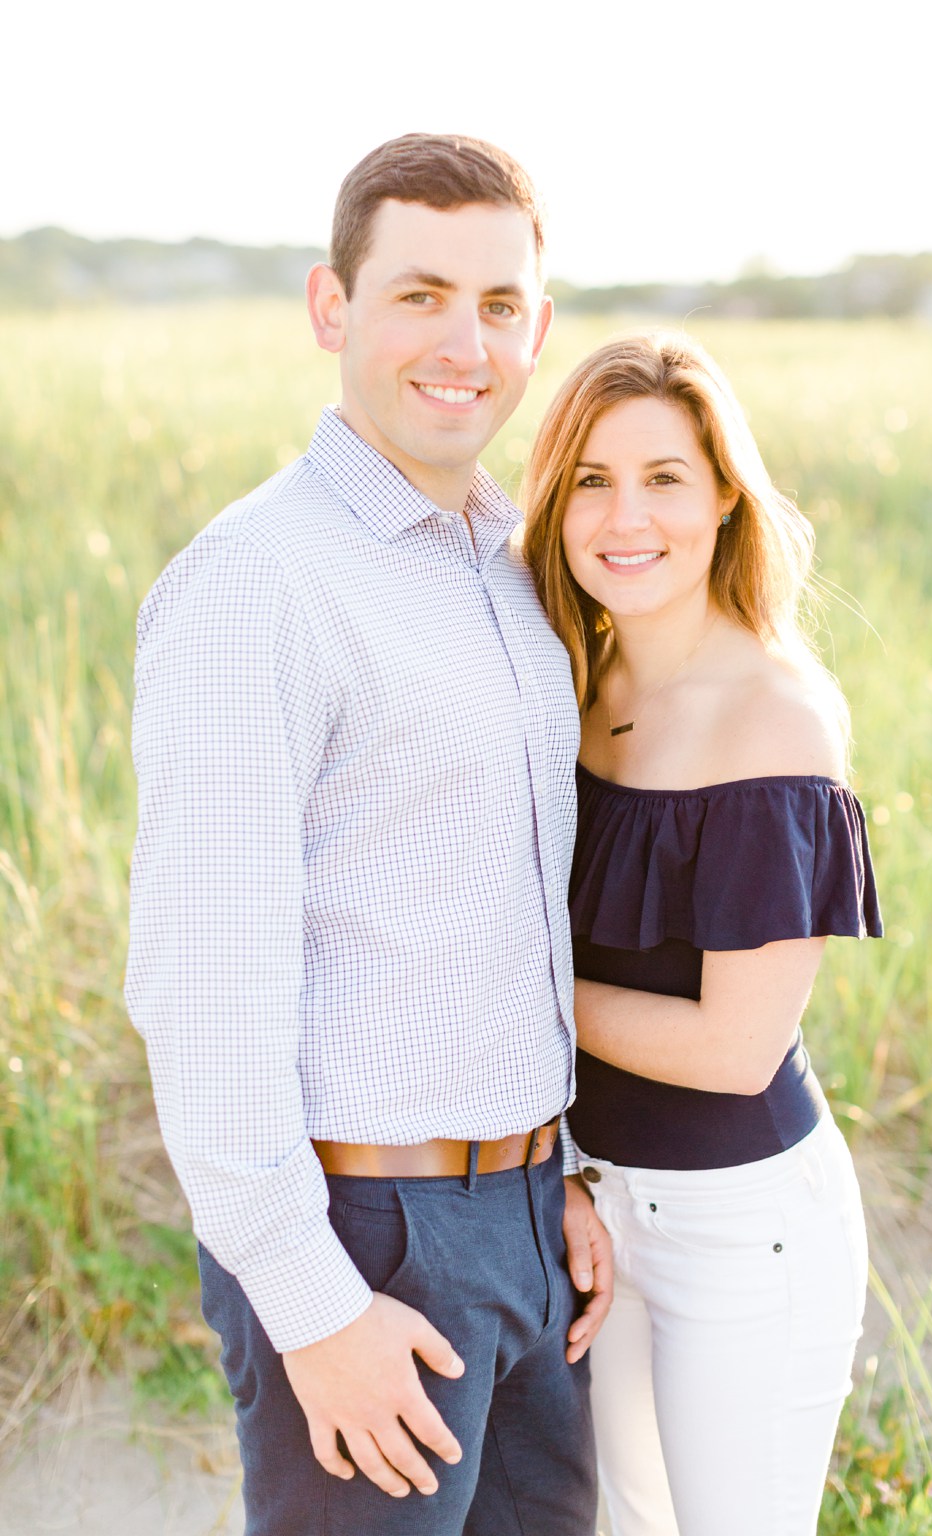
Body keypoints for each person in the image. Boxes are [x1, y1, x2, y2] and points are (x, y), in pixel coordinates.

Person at [126, 133, 613, 1534]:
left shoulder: (519, 565)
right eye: (419, 295)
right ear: (332, 309)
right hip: (361, 1238)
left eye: (501, 305)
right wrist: (312, 1305)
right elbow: (205, 988)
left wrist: (558, 1169)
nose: (464, 343)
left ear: (538, 327)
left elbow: (504, 904)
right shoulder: (256, 586)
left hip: (529, 1224)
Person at [520, 330, 882, 1534]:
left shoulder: (772, 723)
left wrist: (512, 986)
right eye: (591, 480)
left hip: (746, 1232)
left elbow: (734, 1052)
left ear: (725, 496)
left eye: (664, 477)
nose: (626, 516)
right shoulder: (574, 682)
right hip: (601, 1203)